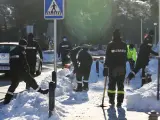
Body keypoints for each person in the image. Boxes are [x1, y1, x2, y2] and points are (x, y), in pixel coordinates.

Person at [3, 39, 48, 105]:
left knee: (13, 85)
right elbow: (24, 61)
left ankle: (7, 100)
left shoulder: (12, 51)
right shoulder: (22, 51)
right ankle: (41, 91)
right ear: (24, 45)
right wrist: (27, 69)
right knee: (31, 81)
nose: (25, 47)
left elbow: (10, 62)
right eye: (25, 46)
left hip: (13, 71)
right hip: (21, 71)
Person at [103, 29, 127, 107]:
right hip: (122, 68)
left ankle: (111, 100)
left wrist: (105, 67)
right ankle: (119, 102)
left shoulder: (110, 45)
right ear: (120, 36)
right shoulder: (124, 45)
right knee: (120, 85)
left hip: (112, 68)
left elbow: (107, 57)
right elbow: (125, 56)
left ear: (113, 36)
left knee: (112, 84)